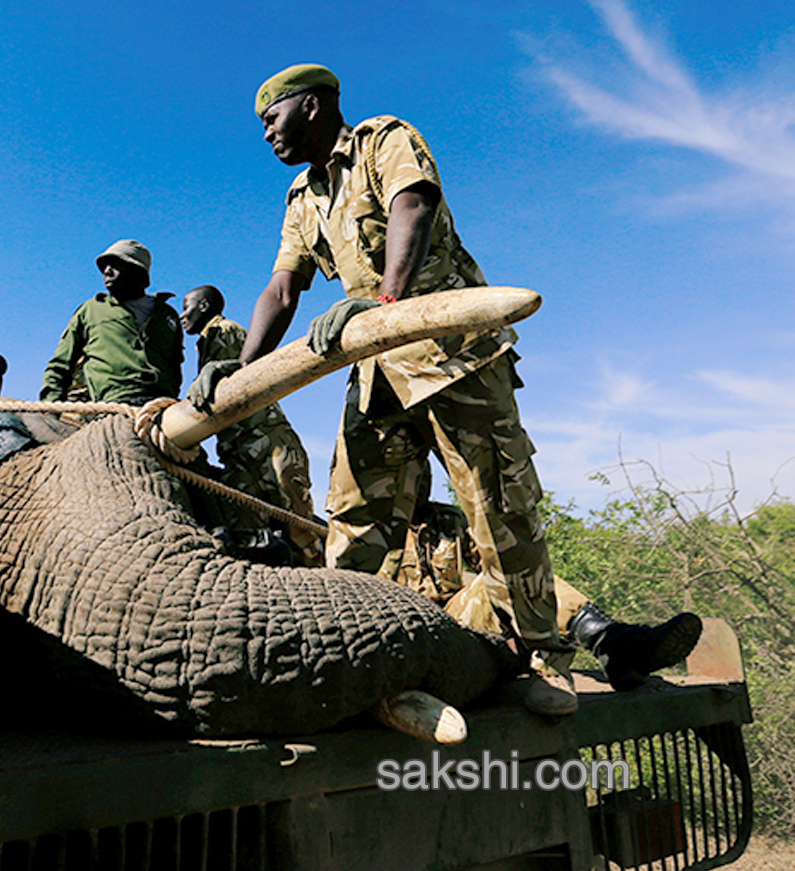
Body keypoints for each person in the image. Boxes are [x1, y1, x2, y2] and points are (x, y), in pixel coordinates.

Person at [192, 64, 700, 714]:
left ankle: (540, 660)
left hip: (451, 351)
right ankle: (351, 658)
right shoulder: (301, 197)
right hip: (374, 368)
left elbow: (414, 204)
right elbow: (283, 288)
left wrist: (383, 298)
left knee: (497, 505)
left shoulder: (384, 139)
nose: (266, 133)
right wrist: (241, 369)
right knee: (353, 522)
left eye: (272, 118)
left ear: (312, 107)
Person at [180, 285, 323, 565]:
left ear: (205, 307)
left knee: (300, 534)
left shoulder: (224, 332)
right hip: (239, 450)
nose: (182, 316)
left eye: (187, 307)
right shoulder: (208, 340)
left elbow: (244, 372)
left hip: (266, 444)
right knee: (250, 538)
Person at [41, 240, 183, 406]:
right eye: (105, 267)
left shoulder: (167, 315)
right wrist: (50, 406)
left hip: (162, 404)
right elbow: (60, 364)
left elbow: (175, 366)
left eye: (115, 265)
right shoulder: (90, 310)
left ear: (138, 271)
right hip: (112, 404)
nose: (107, 271)